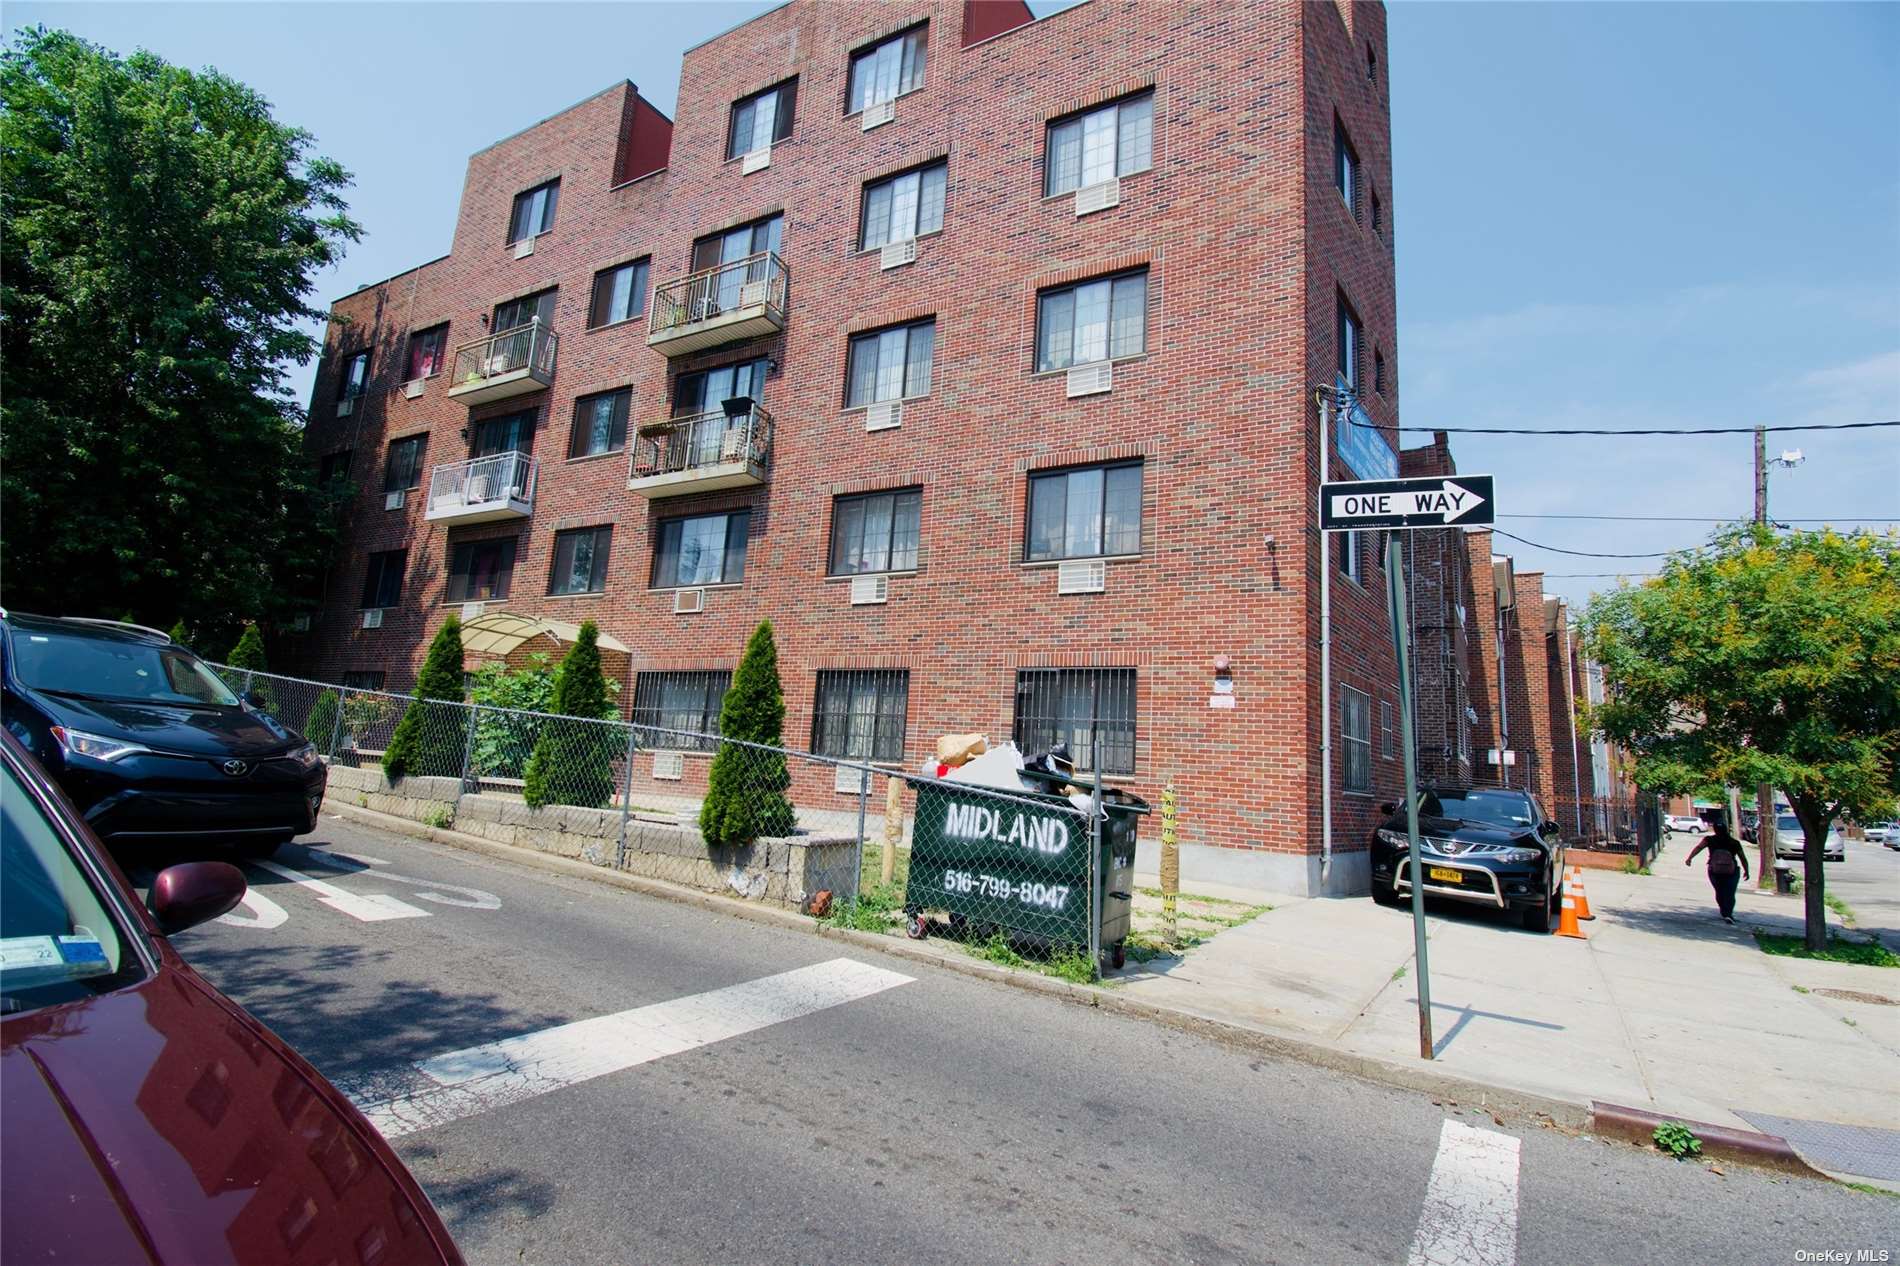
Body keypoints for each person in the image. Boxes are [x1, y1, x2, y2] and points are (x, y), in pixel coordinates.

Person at [1684, 820, 1751, 923]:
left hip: (1714, 870)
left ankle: (1723, 911)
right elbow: (1742, 858)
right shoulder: (1734, 842)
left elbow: (1699, 848)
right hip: (1731, 871)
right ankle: (1728, 913)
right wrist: (1747, 870)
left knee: (1719, 891)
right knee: (1730, 893)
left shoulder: (1709, 840)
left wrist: (1690, 858)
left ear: (1715, 829)